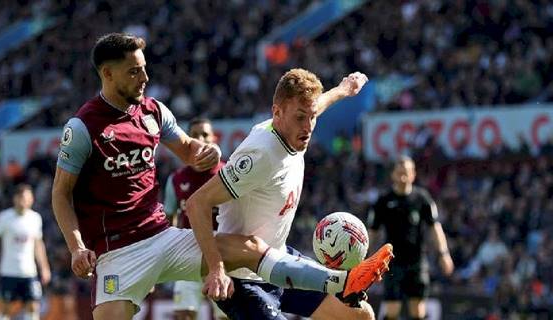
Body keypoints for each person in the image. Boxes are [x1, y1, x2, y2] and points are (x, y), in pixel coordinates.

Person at [52, 33, 391, 320]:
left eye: (144, 69)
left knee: (250, 250)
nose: (144, 78)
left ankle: (341, 281)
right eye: (134, 72)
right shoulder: (83, 127)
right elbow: (61, 194)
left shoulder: (153, 112)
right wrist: (77, 246)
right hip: (116, 252)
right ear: (108, 74)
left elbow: (188, 150)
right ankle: (339, 281)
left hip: (161, 235)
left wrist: (204, 153)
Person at [186, 68, 392, 319]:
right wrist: (216, 268)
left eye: (312, 117)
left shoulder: (294, 131)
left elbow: (318, 104)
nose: (308, 127)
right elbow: (197, 203)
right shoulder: (261, 154)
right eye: (300, 117)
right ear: (277, 113)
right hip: (244, 278)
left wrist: (343, 89)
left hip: (279, 259)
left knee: (360, 315)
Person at [367, 156, 454, 320]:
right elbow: (373, 231)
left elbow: (435, 228)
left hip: (417, 262)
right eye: (399, 173)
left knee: (418, 311)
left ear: (413, 174)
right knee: (392, 310)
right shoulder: (383, 201)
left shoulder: (422, 199)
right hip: (392, 263)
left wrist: (444, 253)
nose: (402, 177)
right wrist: (368, 259)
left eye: (406, 173)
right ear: (392, 174)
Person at [164, 118, 227, 320]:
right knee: (184, 315)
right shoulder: (176, 179)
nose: (200, 139)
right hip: (188, 255)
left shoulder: (228, 173)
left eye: (205, 134)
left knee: (226, 315)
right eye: (195, 135)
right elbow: (169, 220)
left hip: (225, 256)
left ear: (214, 138)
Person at [0, 184, 51, 320]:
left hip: (29, 272)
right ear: (15, 199)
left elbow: (38, 244)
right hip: (9, 271)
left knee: (33, 306)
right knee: (5, 309)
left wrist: (44, 267)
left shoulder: (35, 218)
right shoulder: (5, 217)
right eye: (21, 197)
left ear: (31, 199)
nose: (24, 201)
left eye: (27, 197)